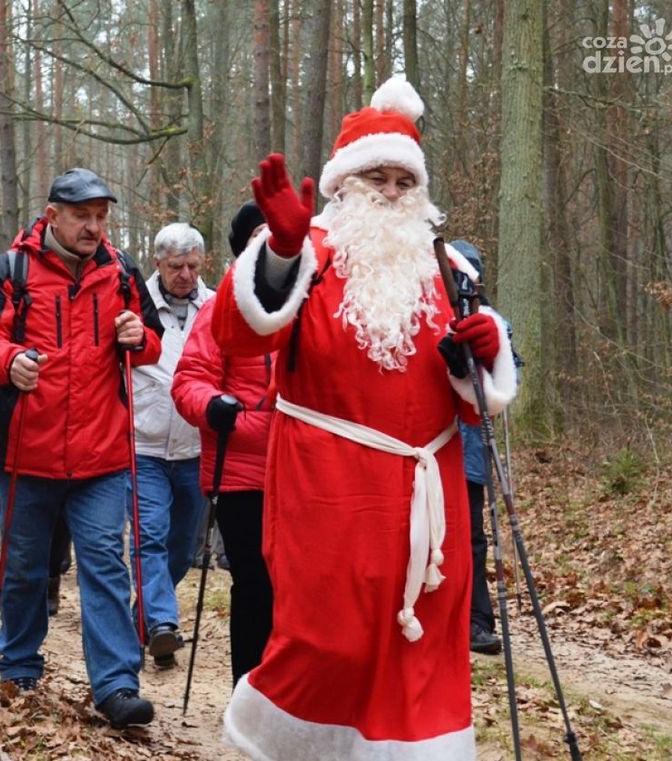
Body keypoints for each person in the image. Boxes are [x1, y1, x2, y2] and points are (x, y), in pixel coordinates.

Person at [211, 77, 517, 759]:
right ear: (345, 183)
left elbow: (477, 394)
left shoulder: (449, 263)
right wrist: (280, 252)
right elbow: (237, 335)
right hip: (330, 489)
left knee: (425, 651)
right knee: (329, 642)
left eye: (403, 179)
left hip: (427, 496)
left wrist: (487, 350)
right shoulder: (311, 250)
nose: (389, 190)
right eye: (374, 176)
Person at [0, 167, 163, 728]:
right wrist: (9, 361)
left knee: (104, 565)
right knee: (25, 567)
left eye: (101, 217)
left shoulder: (123, 271)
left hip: (101, 455)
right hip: (29, 452)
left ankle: (117, 686)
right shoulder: (10, 271)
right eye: (83, 216)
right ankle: (20, 663)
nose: (94, 227)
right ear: (53, 216)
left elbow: (150, 341)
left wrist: (137, 337)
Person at [171, 200, 275, 687]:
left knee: (300, 587)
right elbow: (188, 380)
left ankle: (291, 695)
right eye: (259, 235)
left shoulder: (312, 303)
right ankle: (247, 690)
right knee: (254, 582)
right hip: (241, 471)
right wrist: (213, 406)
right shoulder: (222, 306)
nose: (272, 243)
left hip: (306, 470)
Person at [128, 221, 213, 669]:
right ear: (158, 262)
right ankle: (162, 622)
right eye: (176, 265)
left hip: (196, 447)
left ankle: (144, 618)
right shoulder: (134, 304)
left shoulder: (217, 306)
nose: (185, 274)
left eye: (193, 266)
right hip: (142, 445)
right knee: (149, 539)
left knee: (181, 547)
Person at [449, 239, 511, 656]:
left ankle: (477, 620)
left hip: (470, 451)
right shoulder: (434, 313)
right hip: (432, 446)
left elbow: (508, 375)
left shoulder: (490, 320)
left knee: (471, 537)